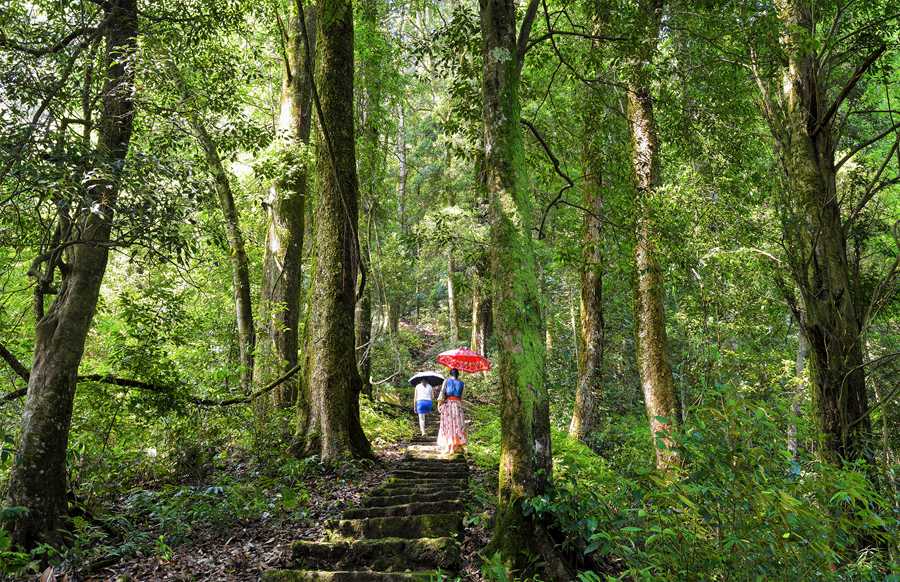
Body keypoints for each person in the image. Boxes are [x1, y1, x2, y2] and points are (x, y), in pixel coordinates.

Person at [437, 368, 467, 454]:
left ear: (450, 374)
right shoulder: (462, 383)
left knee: (448, 424)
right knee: (457, 425)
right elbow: (462, 397)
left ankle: (448, 446)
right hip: (458, 405)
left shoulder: (446, 381)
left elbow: (442, 393)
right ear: (458, 374)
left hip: (448, 405)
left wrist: (439, 404)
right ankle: (455, 446)